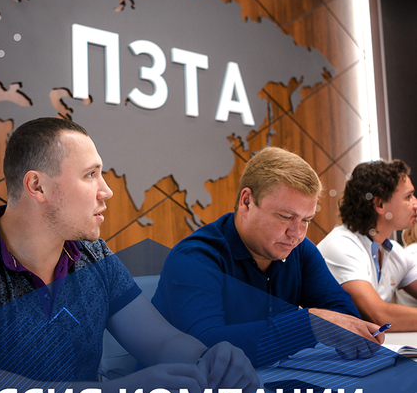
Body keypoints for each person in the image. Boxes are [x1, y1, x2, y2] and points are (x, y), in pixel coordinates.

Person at [0, 117, 258, 393]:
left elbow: (160, 341)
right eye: (90, 175)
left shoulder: (95, 257)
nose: (107, 191)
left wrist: (208, 360)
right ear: (37, 186)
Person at [152, 147, 383, 367]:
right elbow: (206, 348)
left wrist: (326, 326)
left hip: (264, 384)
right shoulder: (194, 257)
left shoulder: (299, 250)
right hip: (176, 391)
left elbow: (344, 318)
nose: (297, 233)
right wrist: (308, 324)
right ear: (247, 202)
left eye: (306, 220)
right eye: (285, 216)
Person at [318, 159, 417, 330]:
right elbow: (379, 315)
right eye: (408, 197)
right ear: (379, 204)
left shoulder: (394, 252)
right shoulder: (341, 245)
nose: (415, 204)